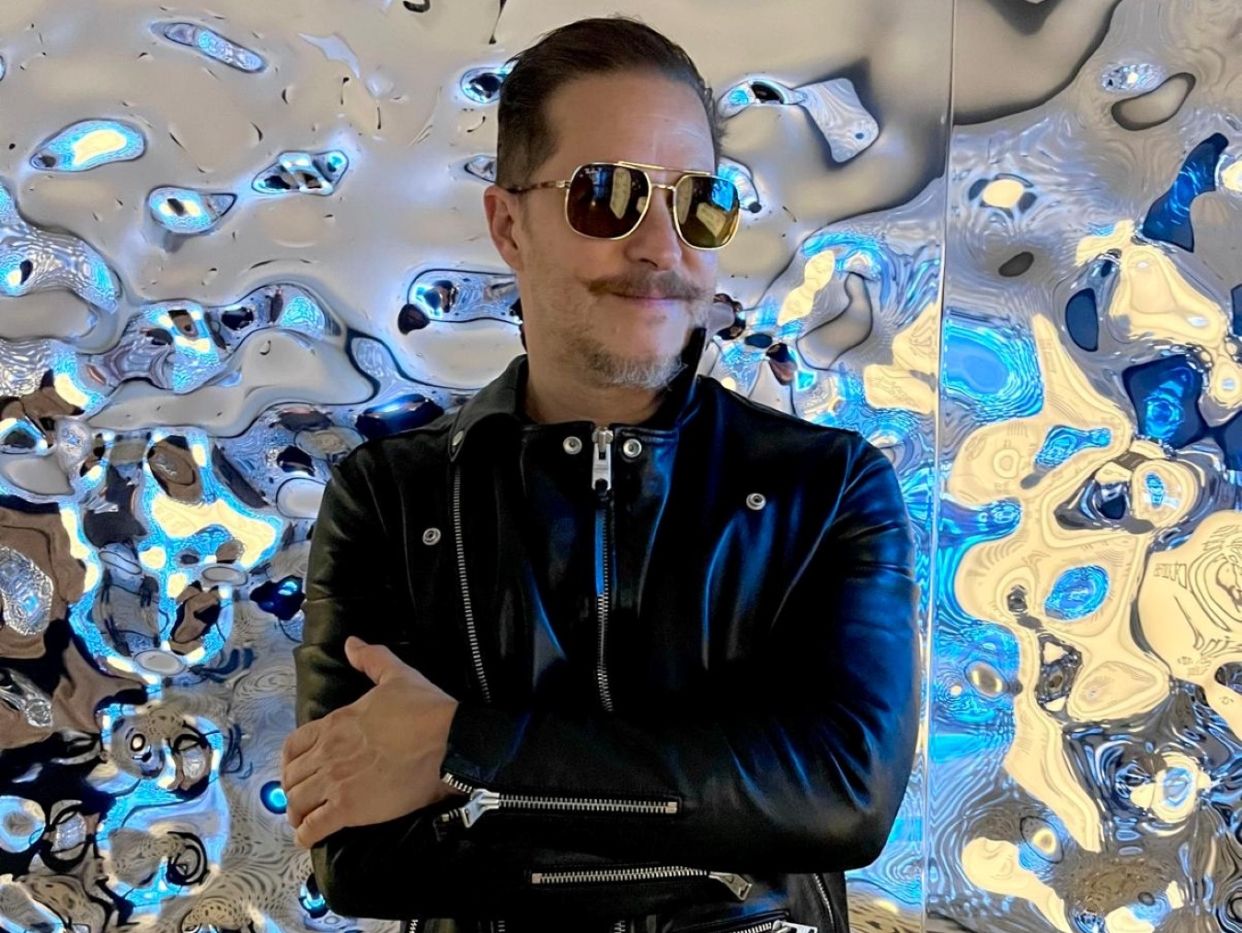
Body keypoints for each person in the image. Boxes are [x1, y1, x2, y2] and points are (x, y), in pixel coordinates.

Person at [281, 15, 919, 933]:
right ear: (509, 224)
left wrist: (465, 749)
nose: (661, 245)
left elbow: (841, 797)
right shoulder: (390, 497)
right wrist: (725, 828)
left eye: (696, 201)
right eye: (607, 194)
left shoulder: (824, 490)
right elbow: (360, 858)